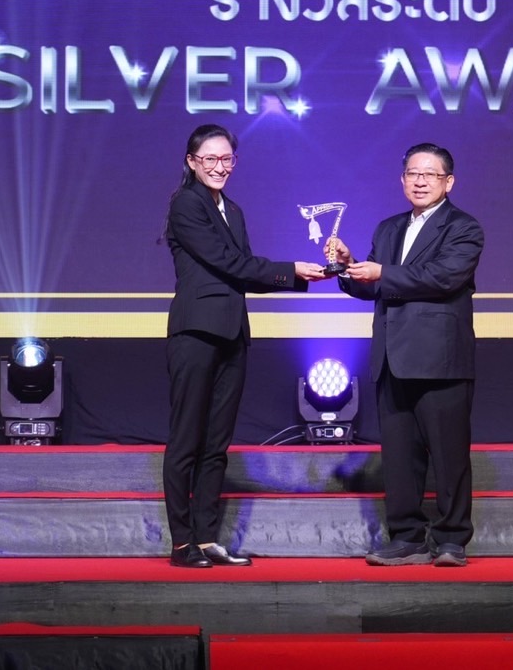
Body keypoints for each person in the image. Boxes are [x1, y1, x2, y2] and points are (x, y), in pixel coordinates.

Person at [163, 123, 326, 568]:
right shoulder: (186, 204)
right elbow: (228, 262)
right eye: (210, 159)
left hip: (232, 334)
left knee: (217, 443)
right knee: (187, 439)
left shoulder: (232, 210)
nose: (220, 167)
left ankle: (206, 537)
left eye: (226, 159)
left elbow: (244, 271)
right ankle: (181, 543)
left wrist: (299, 276)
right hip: (196, 333)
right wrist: (289, 269)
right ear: (192, 162)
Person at [326, 143, 484, 567]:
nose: (420, 181)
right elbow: (373, 285)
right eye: (413, 173)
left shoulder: (463, 227)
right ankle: (407, 536)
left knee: (449, 455)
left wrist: (383, 272)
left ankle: (451, 539)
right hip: (392, 358)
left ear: (448, 182)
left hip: (440, 359)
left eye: (430, 174)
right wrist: (349, 266)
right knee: (398, 457)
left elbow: (443, 277)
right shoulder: (389, 228)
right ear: (402, 180)